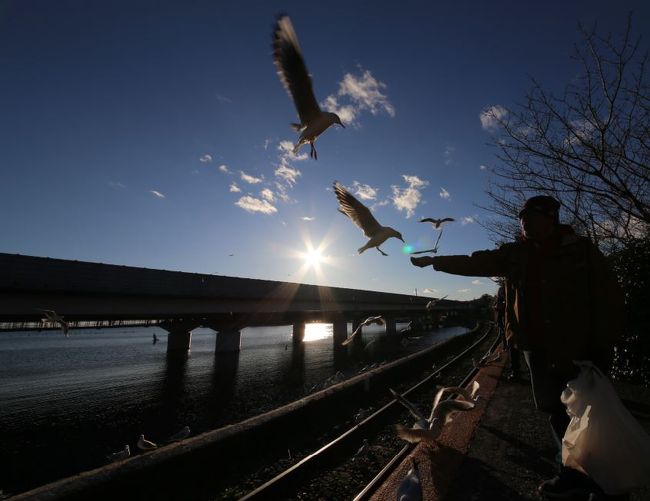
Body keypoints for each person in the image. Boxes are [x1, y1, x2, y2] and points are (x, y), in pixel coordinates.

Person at [411, 195, 625, 499]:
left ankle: (605, 481)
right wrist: (435, 262)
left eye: (532, 216)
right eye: (522, 217)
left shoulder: (581, 251)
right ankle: (570, 473)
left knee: (588, 414)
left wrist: (603, 345)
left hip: (577, 347)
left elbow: (609, 297)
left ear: (551, 218)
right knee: (554, 410)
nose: (524, 222)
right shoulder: (515, 254)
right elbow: (477, 262)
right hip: (535, 347)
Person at [495, 283, 521, 381]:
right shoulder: (511, 293)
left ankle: (516, 372)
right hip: (510, 324)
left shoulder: (506, 296)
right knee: (513, 347)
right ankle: (516, 371)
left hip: (510, 325)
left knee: (513, 347)